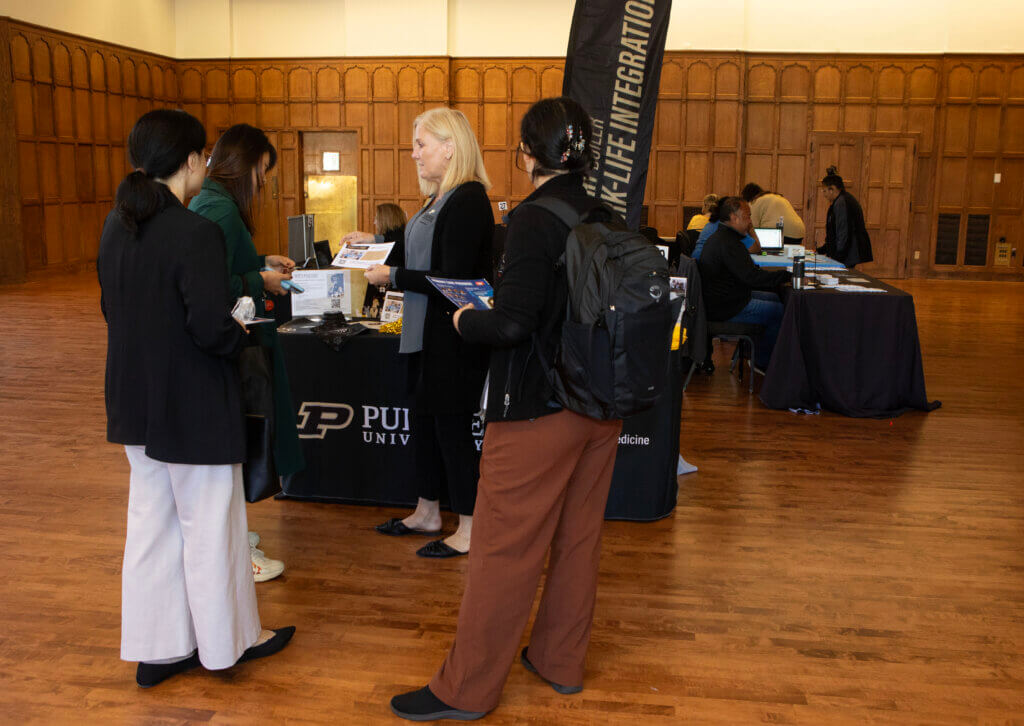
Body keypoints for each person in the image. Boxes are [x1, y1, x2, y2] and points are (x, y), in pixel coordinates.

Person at [389, 96, 623, 722]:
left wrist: (467, 319)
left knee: (501, 551)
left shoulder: (533, 220)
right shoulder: (605, 213)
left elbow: (514, 322)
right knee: (577, 541)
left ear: (526, 156)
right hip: (602, 403)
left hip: (539, 406)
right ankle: (559, 660)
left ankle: (463, 690)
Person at [97, 109, 294, 689]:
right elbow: (211, 329)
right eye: (202, 156)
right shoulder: (196, 232)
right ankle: (228, 645)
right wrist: (244, 326)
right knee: (213, 527)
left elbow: (116, 311)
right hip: (195, 405)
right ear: (189, 161)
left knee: (152, 526)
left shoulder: (116, 225)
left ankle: (159, 650)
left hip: (134, 402)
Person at [364, 108, 493, 558]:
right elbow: (410, 252)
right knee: (425, 426)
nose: (414, 153)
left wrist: (394, 276)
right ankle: (427, 511)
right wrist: (370, 246)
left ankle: (472, 527)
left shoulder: (468, 199)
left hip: (452, 339)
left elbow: (449, 276)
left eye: (421, 144)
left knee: (453, 432)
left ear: (450, 147)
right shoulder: (438, 199)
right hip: (423, 335)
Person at [189, 123, 302, 583]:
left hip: (237, 346)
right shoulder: (218, 208)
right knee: (239, 448)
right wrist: (263, 281)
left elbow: (229, 267)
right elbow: (214, 285)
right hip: (235, 348)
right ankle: (235, 549)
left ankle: (238, 532)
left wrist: (261, 264)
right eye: (264, 172)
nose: (265, 182)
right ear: (250, 164)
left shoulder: (215, 206)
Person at [698, 196, 790, 371]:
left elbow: (748, 274)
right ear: (734, 218)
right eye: (747, 217)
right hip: (726, 307)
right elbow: (752, 277)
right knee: (778, 310)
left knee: (775, 298)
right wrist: (785, 276)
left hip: (725, 299)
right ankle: (762, 362)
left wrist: (781, 276)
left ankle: (756, 354)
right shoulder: (728, 243)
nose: (750, 222)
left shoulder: (724, 237)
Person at [341, 202, 408, 316]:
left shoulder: (398, 241)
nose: (374, 222)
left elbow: (395, 244)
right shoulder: (399, 237)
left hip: (391, 296)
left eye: (377, 218)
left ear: (385, 219)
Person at [818, 166, 873, 268]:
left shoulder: (841, 203)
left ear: (832, 189)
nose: (823, 194)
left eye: (824, 191)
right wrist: (823, 249)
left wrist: (838, 257)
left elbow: (843, 232)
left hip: (848, 253)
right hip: (846, 251)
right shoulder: (840, 200)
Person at [692, 195, 761, 259]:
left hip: (697, 265)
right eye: (747, 216)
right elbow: (755, 248)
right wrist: (750, 228)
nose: (749, 220)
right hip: (708, 268)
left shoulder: (711, 224)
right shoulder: (730, 227)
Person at [741, 182, 806, 245]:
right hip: (799, 233)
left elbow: (751, 227)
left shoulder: (754, 201)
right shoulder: (777, 197)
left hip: (779, 234)